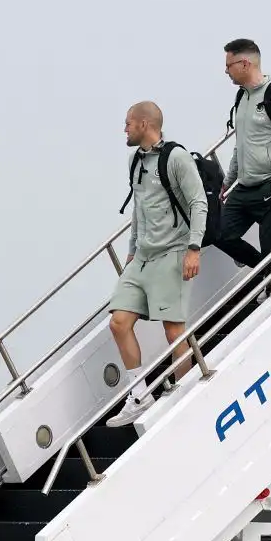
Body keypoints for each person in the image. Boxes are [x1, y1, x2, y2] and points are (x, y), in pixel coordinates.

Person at [106, 101, 207, 411]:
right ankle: (139, 394)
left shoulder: (175, 158)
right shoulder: (134, 161)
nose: (124, 129)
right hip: (143, 257)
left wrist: (193, 249)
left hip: (173, 253)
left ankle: (185, 397)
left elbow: (198, 202)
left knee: (173, 330)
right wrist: (132, 252)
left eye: (128, 123)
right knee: (119, 322)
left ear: (145, 125)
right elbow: (138, 209)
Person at [216, 39, 271, 276]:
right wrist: (227, 181)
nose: (226, 71)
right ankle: (270, 273)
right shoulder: (241, 98)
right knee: (219, 233)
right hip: (244, 187)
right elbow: (239, 146)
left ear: (244, 63)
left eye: (228, 64)